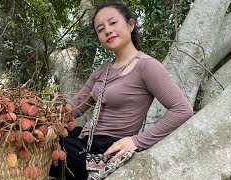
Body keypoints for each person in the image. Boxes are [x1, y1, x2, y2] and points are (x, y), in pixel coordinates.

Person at [52, 1, 193, 179]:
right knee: (40, 142)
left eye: (113, 23)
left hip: (106, 148)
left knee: (50, 153)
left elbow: (182, 110)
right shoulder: (102, 70)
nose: (108, 31)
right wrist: (38, 114)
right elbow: (74, 109)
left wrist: (137, 141)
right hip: (82, 140)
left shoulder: (146, 66)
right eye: (100, 29)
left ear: (130, 24)